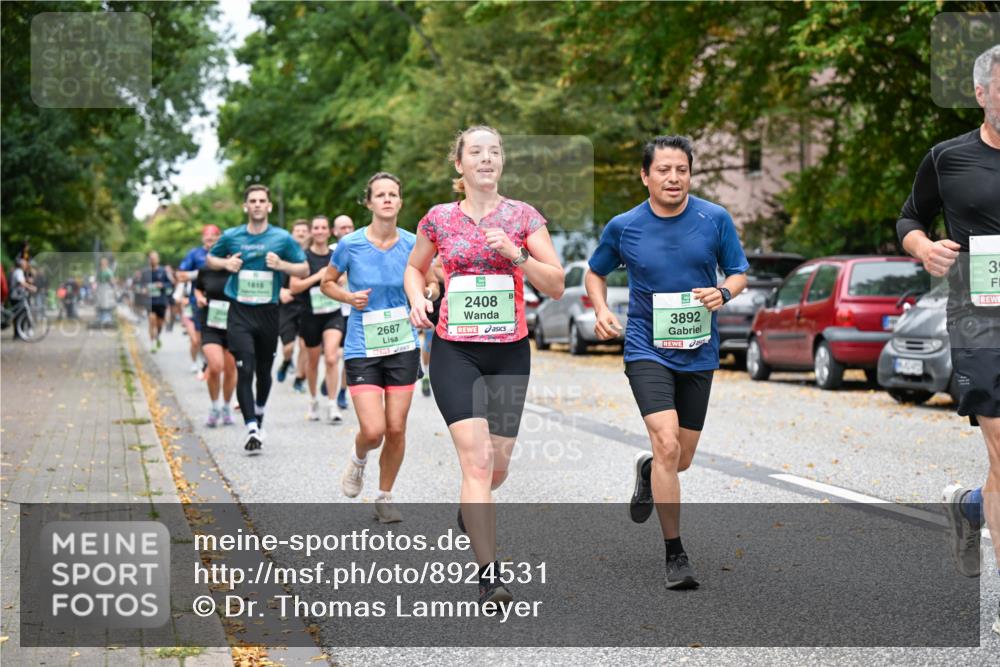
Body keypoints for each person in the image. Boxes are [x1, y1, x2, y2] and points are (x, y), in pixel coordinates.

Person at [404, 126, 564, 605]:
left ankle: (472, 506)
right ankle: (489, 576)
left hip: (508, 352)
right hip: (455, 351)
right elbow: (414, 267)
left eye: (494, 151)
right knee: (475, 462)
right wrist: (416, 298)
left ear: (502, 162)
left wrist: (516, 255)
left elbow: (556, 285)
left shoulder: (523, 217)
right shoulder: (438, 219)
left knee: (496, 469)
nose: (486, 158)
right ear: (460, 164)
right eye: (476, 152)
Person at [587, 135, 748, 590]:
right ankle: (675, 553)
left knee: (681, 458)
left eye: (681, 170)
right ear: (645, 176)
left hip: (699, 350)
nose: (673, 178)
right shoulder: (624, 226)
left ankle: (649, 470)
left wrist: (724, 292)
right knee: (667, 442)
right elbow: (595, 271)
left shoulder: (714, 218)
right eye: (663, 170)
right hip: (646, 348)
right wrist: (601, 309)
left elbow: (739, 272)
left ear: (690, 174)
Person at [897, 45, 1000, 635]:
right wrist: (923, 247)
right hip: (980, 321)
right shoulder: (948, 158)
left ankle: (969, 505)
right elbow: (909, 218)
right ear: (981, 93)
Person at [322, 173, 426, 524]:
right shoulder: (350, 244)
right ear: (368, 202)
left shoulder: (413, 243)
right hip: (362, 346)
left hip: (402, 343)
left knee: (396, 428)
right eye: (380, 195)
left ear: (400, 201)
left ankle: (384, 496)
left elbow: (431, 280)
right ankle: (358, 459)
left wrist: (425, 295)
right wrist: (348, 296)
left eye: (392, 194)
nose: (387, 199)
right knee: (373, 430)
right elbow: (326, 283)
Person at [205, 184, 308, 453]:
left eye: (262, 200)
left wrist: (282, 265)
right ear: (246, 206)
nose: (258, 204)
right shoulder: (232, 236)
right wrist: (226, 264)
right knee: (245, 368)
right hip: (240, 311)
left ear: (269, 206)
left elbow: (303, 268)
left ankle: (259, 413)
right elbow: (211, 259)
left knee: (263, 372)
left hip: (268, 313)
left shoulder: (282, 238)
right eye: (253, 201)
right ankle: (251, 427)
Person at [290, 215, 346, 423]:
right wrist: (318, 276)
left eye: (324, 227)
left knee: (331, 357)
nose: (320, 231)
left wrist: (338, 280)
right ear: (312, 232)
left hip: (333, 313)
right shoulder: (302, 257)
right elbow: (294, 286)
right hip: (310, 315)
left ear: (329, 231)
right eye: (316, 228)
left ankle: (332, 404)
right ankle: (313, 400)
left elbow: (344, 277)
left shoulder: (335, 255)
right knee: (312, 361)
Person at [194, 257, 237, 428]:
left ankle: (226, 407)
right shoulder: (205, 269)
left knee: (230, 369)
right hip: (211, 324)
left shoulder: (238, 268)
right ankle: (214, 407)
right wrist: (199, 298)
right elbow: (198, 289)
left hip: (234, 325)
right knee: (215, 366)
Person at [177, 225, 222, 373]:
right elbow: (180, 275)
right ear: (202, 238)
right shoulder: (194, 254)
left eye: (214, 236)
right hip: (198, 301)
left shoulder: (224, 253)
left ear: (219, 237)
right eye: (207, 236)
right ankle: (201, 361)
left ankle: (213, 362)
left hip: (221, 301)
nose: (210, 239)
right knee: (199, 337)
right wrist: (203, 272)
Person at [276, 220, 312, 392]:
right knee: (288, 347)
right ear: (292, 234)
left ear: (309, 234)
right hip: (287, 306)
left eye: (304, 230)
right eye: (297, 230)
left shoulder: (313, 254)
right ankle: (285, 361)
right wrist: (279, 291)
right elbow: (272, 276)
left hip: (308, 305)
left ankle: (299, 378)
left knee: (305, 346)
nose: (301, 233)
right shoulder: (283, 255)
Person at [331, 214, 356, 410]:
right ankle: (330, 378)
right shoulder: (331, 251)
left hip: (351, 311)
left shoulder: (359, 248)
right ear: (335, 231)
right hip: (330, 310)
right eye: (342, 228)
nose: (347, 230)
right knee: (331, 355)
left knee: (347, 354)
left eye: (349, 227)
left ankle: (341, 390)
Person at [141, 251, 173, 351]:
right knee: (151, 321)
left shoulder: (163, 271)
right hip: (149, 301)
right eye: (151, 258)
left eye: (154, 258)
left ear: (158, 259)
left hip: (161, 301)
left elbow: (170, 284)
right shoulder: (145, 272)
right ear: (148, 260)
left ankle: (157, 336)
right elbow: (140, 285)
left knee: (159, 324)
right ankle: (152, 344)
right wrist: (143, 289)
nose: (152, 260)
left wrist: (162, 285)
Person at [8, 257, 38, 340]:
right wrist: (31, 287)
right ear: (21, 264)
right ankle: (18, 334)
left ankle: (19, 333)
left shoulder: (19, 271)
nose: (26, 264)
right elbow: (21, 282)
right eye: (24, 263)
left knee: (19, 315)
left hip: (17, 296)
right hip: (17, 296)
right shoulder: (19, 271)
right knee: (20, 315)